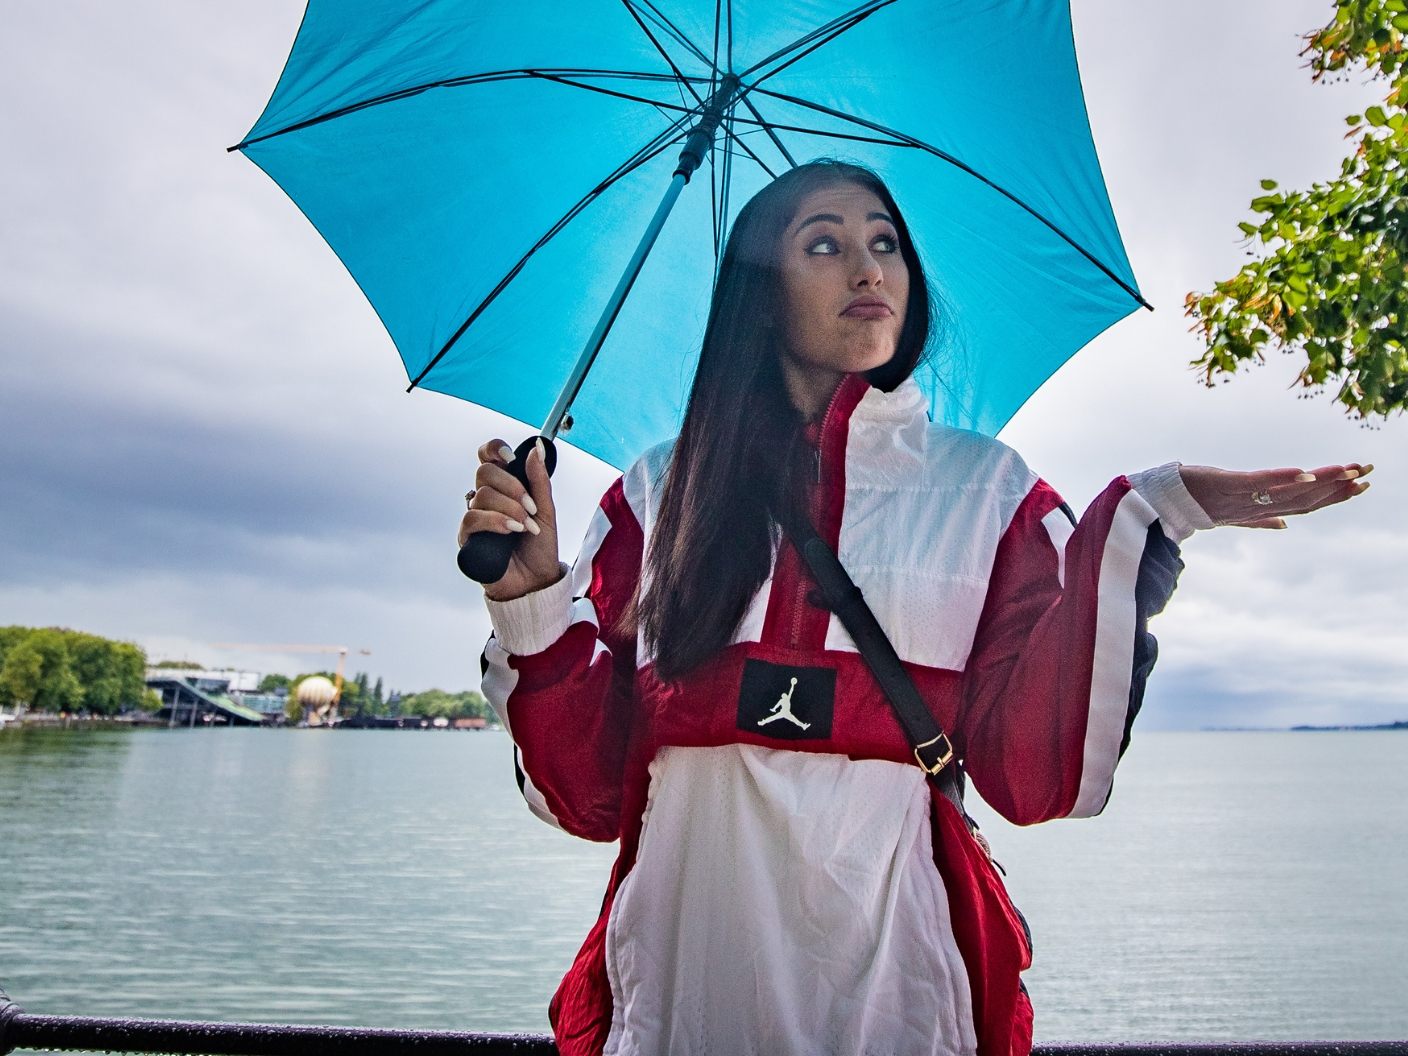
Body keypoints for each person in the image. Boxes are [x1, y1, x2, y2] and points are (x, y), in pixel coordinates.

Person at [458, 161, 1370, 1056]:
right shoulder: (661, 492)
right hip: (676, 1003)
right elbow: (590, 795)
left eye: (885, 242)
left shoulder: (991, 492)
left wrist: (1151, 511)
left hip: (900, 1004)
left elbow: (1036, 776)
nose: (869, 268)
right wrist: (528, 599)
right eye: (825, 243)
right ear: (759, 295)